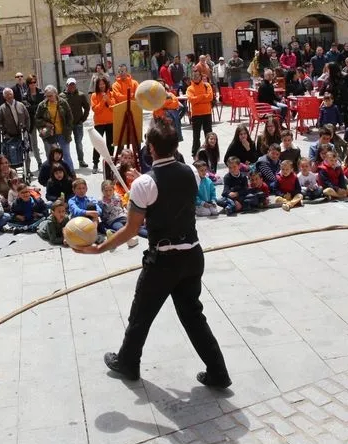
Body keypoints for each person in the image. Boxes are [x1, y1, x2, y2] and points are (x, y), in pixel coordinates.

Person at [68, 119, 230, 388]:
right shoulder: (190, 170)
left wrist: (99, 248)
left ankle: (128, 362)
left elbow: (132, 229)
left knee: (141, 314)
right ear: (175, 145)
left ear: (151, 148)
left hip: (163, 261)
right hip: (192, 255)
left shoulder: (145, 183)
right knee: (193, 316)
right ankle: (219, 371)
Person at [35, 86, 75, 170]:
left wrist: (68, 130)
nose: (49, 98)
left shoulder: (63, 103)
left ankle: (71, 175)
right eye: (47, 96)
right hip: (50, 135)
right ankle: (52, 175)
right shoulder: (42, 105)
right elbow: (37, 119)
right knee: (52, 156)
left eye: (51, 95)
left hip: (63, 134)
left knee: (66, 155)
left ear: (55, 94)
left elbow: (70, 117)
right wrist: (46, 123)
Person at [0, 87, 31, 163]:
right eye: (7, 95)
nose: (9, 96)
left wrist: (27, 129)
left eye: (10, 94)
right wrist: (4, 133)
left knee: (26, 152)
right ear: (4, 97)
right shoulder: (1, 108)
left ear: (13, 94)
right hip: (9, 136)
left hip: (22, 133)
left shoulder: (21, 105)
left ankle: (27, 170)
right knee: (11, 153)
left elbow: (27, 117)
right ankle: (13, 169)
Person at [63, 78, 91, 169]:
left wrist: (83, 119)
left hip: (78, 123)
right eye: (70, 85)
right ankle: (66, 162)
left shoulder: (81, 95)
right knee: (65, 143)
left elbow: (87, 107)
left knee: (78, 143)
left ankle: (81, 160)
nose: (72, 87)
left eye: (73, 85)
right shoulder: (61, 96)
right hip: (67, 125)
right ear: (66, 85)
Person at [186, 70, 214, 158]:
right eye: (194, 76)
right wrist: (203, 96)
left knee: (208, 134)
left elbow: (210, 97)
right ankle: (195, 153)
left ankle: (210, 151)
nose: (196, 77)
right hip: (196, 115)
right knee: (196, 135)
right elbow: (192, 100)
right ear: (192, 77)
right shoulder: (190, 88)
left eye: (197, 76)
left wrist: (198, 98)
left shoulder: (207, 85)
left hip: (207, 113)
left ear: (200, 76)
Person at [90, 76, 114, 175]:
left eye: (103, 84)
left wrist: (107, 99)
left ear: (106, 84)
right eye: (99, 84)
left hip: (111, 122)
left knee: (110, 144)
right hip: (99, 123)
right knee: (98, 144)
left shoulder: (111, 94)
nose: (101, 86)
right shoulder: (94, 95)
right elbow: (95, 109)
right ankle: (95, 163)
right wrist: (103, 100)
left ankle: (110, 163)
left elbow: (113, 107)